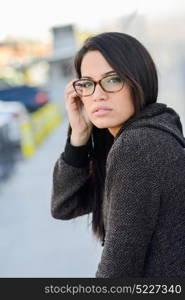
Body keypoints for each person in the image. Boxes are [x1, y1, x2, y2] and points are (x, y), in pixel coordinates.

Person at [51, 32, 185, 278]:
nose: (97, 94)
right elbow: (64, 206)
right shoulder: (151, 133)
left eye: (112, 80)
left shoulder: (138, 146)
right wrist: (79, 135)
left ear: (139, 81)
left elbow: (118, 270)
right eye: (87, 83)